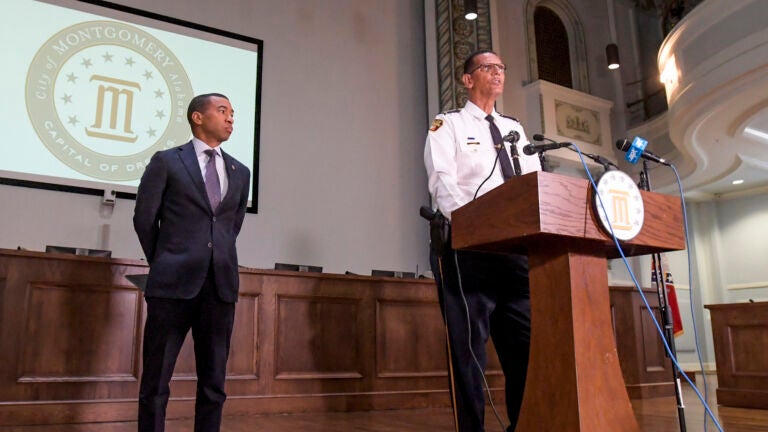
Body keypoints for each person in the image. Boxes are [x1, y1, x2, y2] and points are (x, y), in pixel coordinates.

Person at [423, 50, 541, 432]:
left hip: (516, 254)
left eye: (502, 68)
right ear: (467, 79)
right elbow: (443, 183)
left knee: (524, 353)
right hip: (468, 254)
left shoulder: (514, 130)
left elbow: (534, 185)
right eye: (488, 68)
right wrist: (476, 226)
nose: (498, 73)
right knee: (469, 357)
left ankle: (521, 425)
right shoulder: (449, 125)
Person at [133, 93, 250, 432]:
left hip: (220, 288)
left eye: (233, 113)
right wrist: (165, 260)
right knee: (156, 380)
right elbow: (144, 218)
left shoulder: (240, 171)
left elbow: (230, 227)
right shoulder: (167, 161)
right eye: (223, 111)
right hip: (171, 286)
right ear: (198, 117)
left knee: (214, 383)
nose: (230, 119)